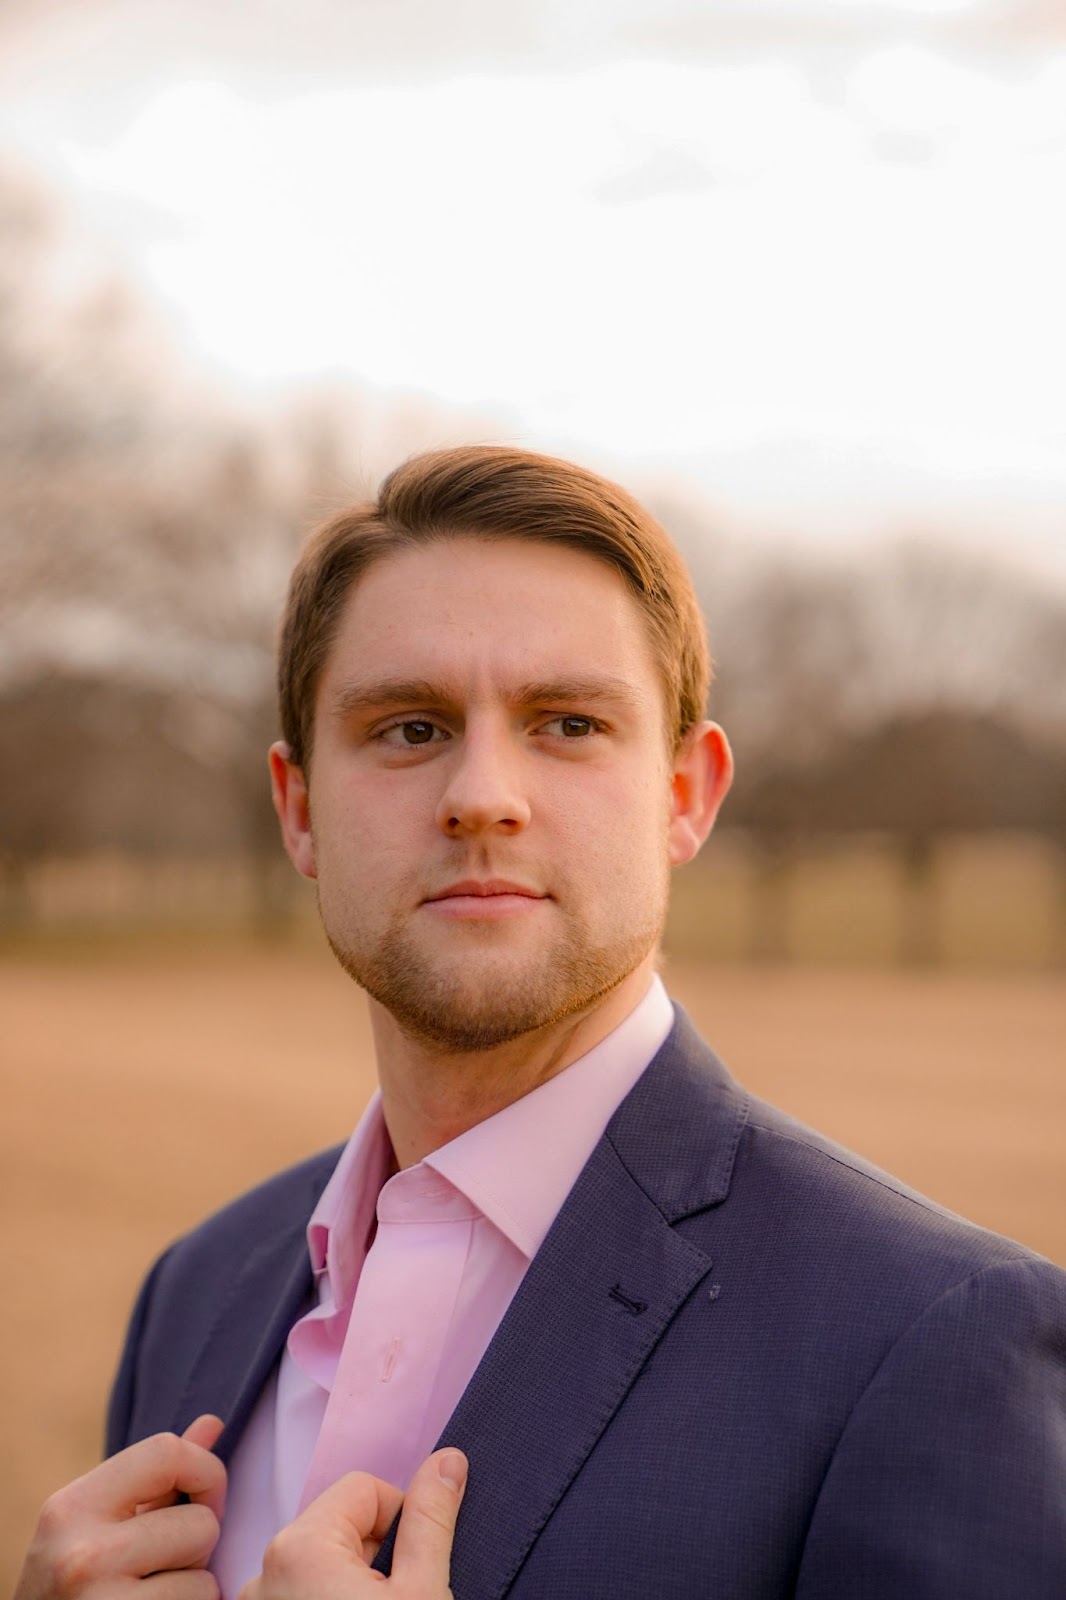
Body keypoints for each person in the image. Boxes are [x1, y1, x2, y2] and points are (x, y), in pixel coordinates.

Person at [16, 445, 1066, 1599]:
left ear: (685, 795)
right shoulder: (198, 1285)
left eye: (565, 723)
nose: (481, 794)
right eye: (409, 727)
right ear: (299, 809)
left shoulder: (932, 1337)